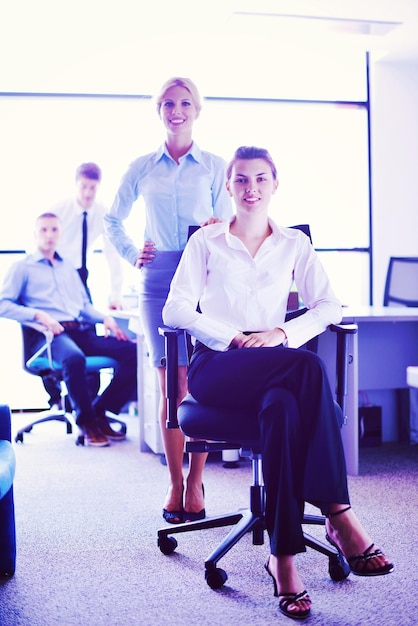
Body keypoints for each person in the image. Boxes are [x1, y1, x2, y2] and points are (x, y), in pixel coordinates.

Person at [162, 146, 394, 620]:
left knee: (285, 408)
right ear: (228, 186)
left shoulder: (293, 244)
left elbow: (330, 306)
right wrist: (234, 336)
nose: (251, 188)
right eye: (241, 180)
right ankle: (339, 514)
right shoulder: (205, 243)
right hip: (217, 366)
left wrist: (281, 334)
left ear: (274, 185)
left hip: (272, 365)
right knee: (307, 369)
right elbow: (175, 310)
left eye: (261, 179)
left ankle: (282, 560)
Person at [105, 77, 232, 522]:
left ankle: (197, 479)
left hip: (202, 275)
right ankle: (175, 481)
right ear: (158, 111)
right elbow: (112, 218)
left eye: (184, 103)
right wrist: (129, 252)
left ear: (197, 109)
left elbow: (233, 224)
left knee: (197, 382)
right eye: (168, 104)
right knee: (170, 386)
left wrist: (220, 225)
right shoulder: (142, 166)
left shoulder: (216, 165)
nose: (176, 110)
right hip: (158, 278)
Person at [0, 213, 137, 448]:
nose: (49, 235)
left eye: (54, 230)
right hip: (49, 335)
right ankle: (87, 422)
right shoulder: (22, 267)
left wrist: (106, 318)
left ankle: (101, 412)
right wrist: (39, 315)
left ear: (61, 233)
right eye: (43, 230)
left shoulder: (69, 269)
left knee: (133, 352)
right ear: (35, 234)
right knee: (74, 358)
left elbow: (83, 307)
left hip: (79, 330)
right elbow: (4, 304)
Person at [43, 162, 125, 409]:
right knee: (55, 334)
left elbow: (113, 255)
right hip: (53, 274)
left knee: (88, 334)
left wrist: (116, 292)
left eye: (93, 188)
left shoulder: (102, 212)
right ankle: (54, 390)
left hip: (80, 276)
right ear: (76, 184)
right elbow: (40, 241)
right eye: (84, 187)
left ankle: (90, 404)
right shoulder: (59, 210)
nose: (88, 193)